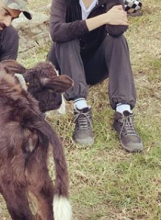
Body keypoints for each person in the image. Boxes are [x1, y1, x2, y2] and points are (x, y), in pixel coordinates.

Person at [47, 0, 143, 152]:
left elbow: (117, 30)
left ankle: (123, 112)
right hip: (66, 64)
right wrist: (105, 18)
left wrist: (116, 13)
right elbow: (56, 32)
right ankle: (81, 109)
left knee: (118, 41)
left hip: (93, 68)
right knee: (65, 38)